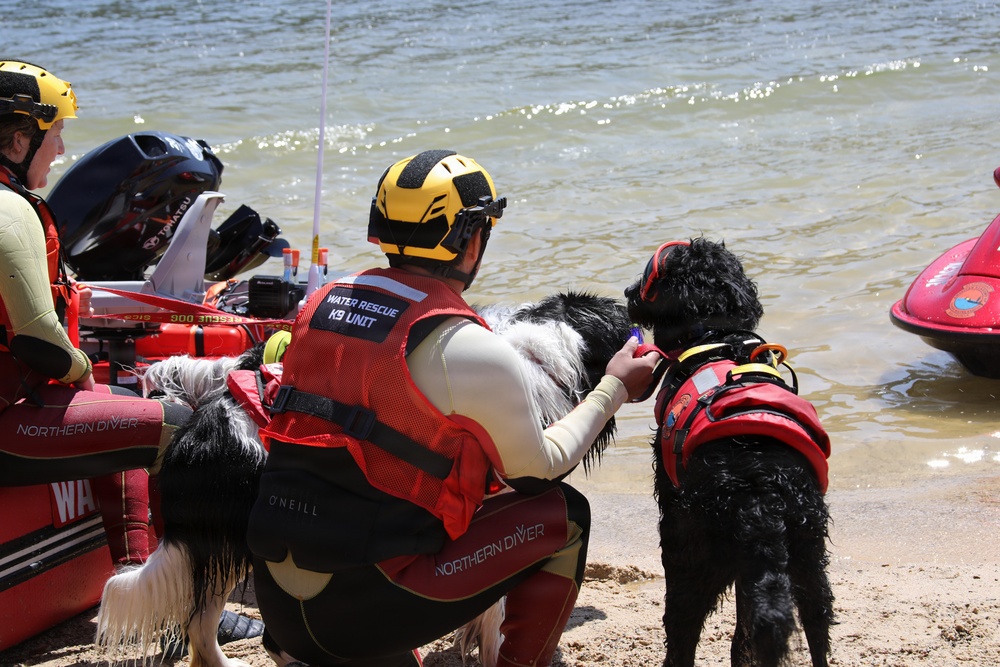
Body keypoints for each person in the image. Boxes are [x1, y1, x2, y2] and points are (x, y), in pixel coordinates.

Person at [248, 149, 658, 666]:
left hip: (278, 607)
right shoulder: (465, 346)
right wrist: (615, 386)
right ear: (472, 239)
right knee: (565, 515)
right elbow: (539, 471)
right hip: (355, 611)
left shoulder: (320, 304)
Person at [0, 60, 194, 567]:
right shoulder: (8, 208)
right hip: (7, 423)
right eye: (56, 132)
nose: (61, 149)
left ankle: (135, 581)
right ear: (19, 141)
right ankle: (181, 605)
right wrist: (82, 371)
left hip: (14, 404)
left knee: (122, 401)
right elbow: (39, 342)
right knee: (180, 425)